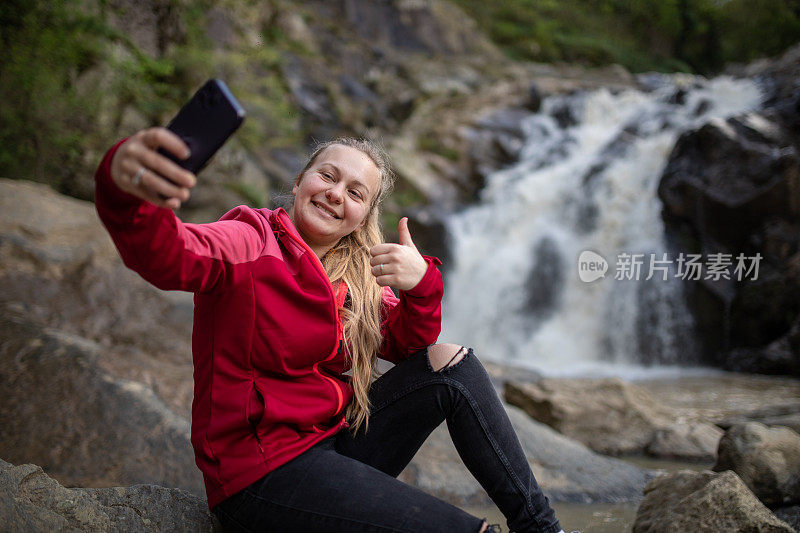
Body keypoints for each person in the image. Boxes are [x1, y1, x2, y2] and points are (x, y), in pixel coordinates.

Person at [94, 127, 565, 533]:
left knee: (451, 364)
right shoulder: (248, 240)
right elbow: (169, 254)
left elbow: (410, 347)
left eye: (356, 192)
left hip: (335, 449)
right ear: (300, 182)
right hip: (263, 475)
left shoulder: (355, 279)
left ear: (364, 216)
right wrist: (124, 187)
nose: (337, 194)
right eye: (328, 176)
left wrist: (423, 285)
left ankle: (543, 528)